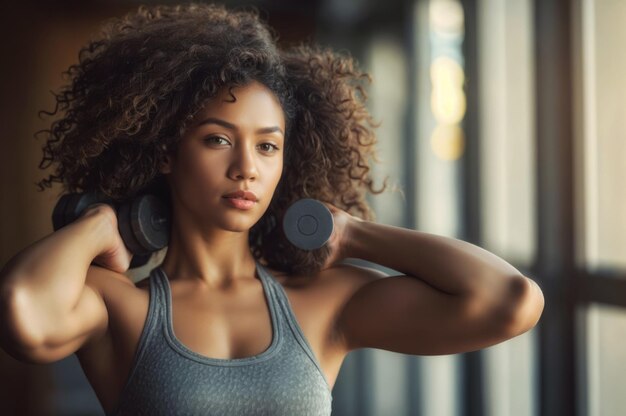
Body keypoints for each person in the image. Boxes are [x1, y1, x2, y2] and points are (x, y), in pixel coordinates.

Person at [0, 3, 544, 415]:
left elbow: (510, 301)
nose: (247, 169)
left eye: (267, 146)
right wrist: (102, 222)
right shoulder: (119, 306)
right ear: (166, 152)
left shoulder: (324, 303)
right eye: (217, 140)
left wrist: (353, 235)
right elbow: (22, 313)